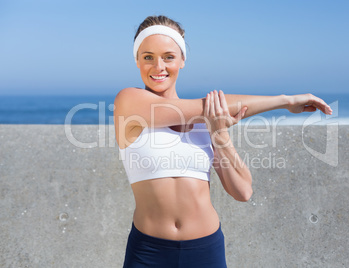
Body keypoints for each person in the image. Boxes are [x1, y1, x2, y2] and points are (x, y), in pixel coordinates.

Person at [114, 15, 332, 268]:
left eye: (169, 56)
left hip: (205, 250)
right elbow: (208, 107)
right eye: (148, 57)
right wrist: (285, 101)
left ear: (183, 60)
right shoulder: (128, 102)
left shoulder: (208, 121)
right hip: (148, 252)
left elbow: (243, 192)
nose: (158, 66)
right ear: (137, 61)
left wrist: (219, 134)